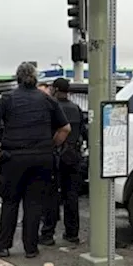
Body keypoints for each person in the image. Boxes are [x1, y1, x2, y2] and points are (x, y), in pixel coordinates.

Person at [0, 62, 70, 259]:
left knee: (10, 202)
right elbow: (65, 129)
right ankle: (31, 248)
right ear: (35, 78)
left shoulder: (8, 99)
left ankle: (3, 246)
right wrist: (52, 145)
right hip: (42, 159)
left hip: (13, 158)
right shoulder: (47, 100)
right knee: (34, 203)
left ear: (18, 78)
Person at [40, 77, 86, 246]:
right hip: (73, 156)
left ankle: (47, 234)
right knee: (71, 196)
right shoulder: (76, 109)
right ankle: (72, 233)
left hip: (55, 155)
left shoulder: (51, 108)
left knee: (51, 196)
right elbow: (83, 131)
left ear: (56, 90)